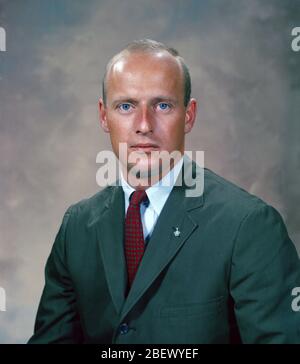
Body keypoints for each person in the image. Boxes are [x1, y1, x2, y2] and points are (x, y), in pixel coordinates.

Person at [28, 39, 300, 344]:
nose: (144, 124)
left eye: (162, 105)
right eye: (126, 106)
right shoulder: (76, 227)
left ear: (189, 115)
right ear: (104, 116)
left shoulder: (249, 226)